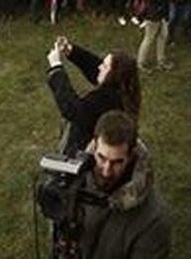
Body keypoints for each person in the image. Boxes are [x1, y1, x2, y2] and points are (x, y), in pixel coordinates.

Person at [72, 111, 171, 258]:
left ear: (131, 156)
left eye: (117, 162)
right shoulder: (72, 186)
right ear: (94, 146)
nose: (106, 171)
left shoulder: (153, 220)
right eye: (101, 157)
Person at [45, 37, 141, 157]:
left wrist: (56, 67)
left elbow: (72, 109)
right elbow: (96, 67)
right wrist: (71, 51)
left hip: (85, 154)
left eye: (105, 66)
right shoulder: (122, 88)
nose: (100, 67)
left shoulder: (104, 100)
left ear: (113, 75)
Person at [136, 0, 174, 73]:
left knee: (163, 36)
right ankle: (140, 63)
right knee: (149, 38)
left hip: (161, 12)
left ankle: (161, 61)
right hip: (153, 13)